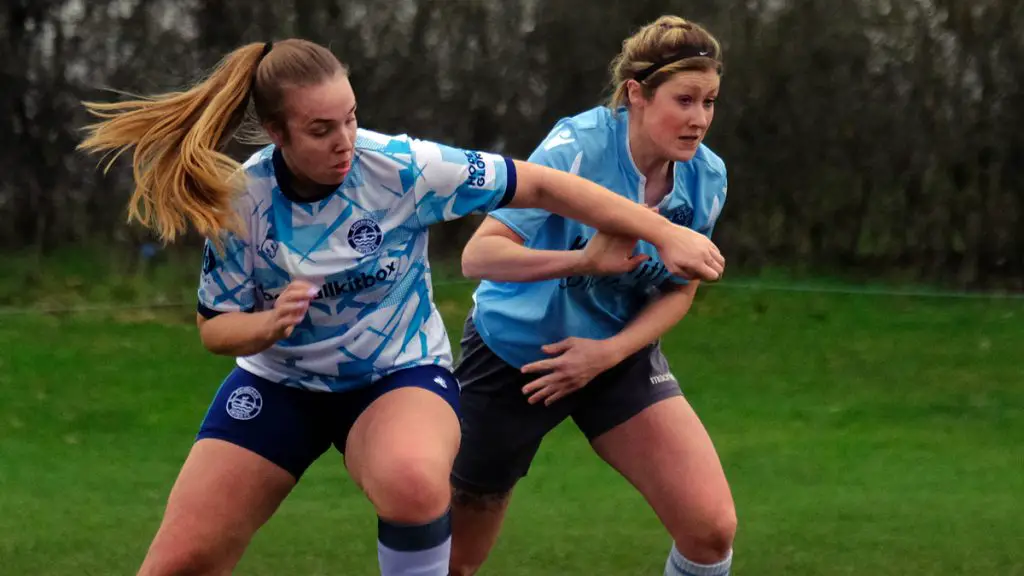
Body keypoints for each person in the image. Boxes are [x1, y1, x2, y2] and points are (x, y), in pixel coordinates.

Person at [76, 38, 725, 576]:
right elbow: (216, 329)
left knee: (415, 482)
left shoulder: (403, 167)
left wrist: (665, 233)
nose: (345, 141)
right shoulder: (241, 200)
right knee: (178, 561)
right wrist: (266, 326)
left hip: (396, 377)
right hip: (281, 386)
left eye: (352, 118)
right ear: (276, 132)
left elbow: (542, 185)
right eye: (321, 129)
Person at [448, 16, 737, 576]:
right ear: (636, 94)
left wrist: (607, 353)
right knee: (456, 561)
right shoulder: (576, 148)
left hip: (616, 356)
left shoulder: (707, 177)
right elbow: (478, 258)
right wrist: (583, 259)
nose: (699, 119)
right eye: (684, 100)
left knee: (711, 530)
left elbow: (679, 293)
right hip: (515, 360)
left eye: (710, 101)